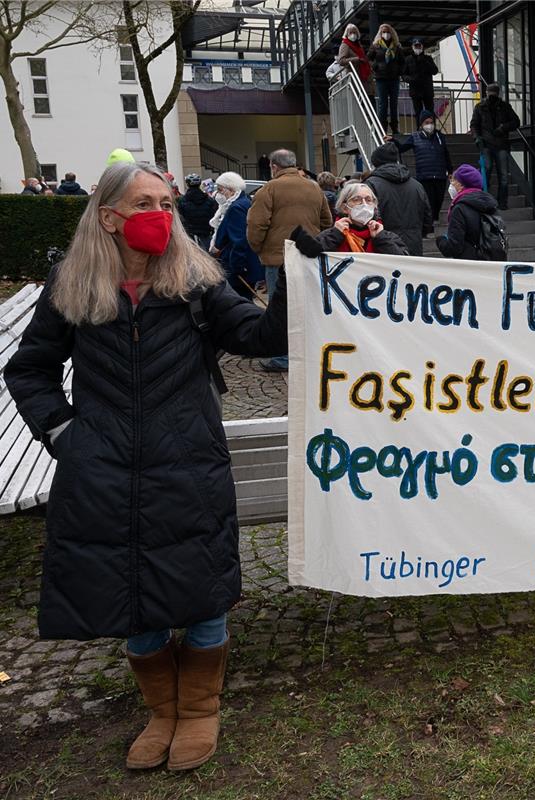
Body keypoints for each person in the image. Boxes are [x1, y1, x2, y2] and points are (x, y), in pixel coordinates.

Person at [4, 160, 290, 772]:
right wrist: (64, 433)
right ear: (108, 218)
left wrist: (296, 280)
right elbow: (29, 368)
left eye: (165, 202)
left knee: (203, 594)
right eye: (144, 205)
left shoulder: (196, 281)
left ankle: (200, 710)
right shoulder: (73, 285)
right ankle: (162, 712)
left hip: (187, 464)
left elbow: (261, 336)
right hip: (102, 470)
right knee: (130, 599)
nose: (161, 215)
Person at [246, 149, 332, 372]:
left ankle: (284, 357)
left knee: (280, 311)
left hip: (278, 258)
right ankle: (310, 353)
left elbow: (257, 224)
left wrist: (258, 249)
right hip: (308, 256)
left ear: (274, 167)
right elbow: (327, 220)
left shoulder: (269, 189)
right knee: (308, 307)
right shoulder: (314, 187)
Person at [293, 182, 410, 256]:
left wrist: (381, 238)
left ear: (374, 206)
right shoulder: (332, 235)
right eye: (357, 199)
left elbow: (404, 262)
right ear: (345, 208)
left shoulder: (387, 236)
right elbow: (310, 255)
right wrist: (335, 235)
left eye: (369, 200)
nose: (364, 204)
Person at [364, 143, 431, 257]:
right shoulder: (416, 185)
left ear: (376, 162)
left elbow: (366, 217)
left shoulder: (371, 185)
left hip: (383, 245)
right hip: (413, 245)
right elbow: (427, 217)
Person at [208, 172, 264, 299]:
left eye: (220, 190)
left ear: (231, 190)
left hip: (238, 265)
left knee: (240, 300)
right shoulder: (243, 202)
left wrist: (237, 266)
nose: (218, 194)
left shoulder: (236, 208)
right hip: (242, 263)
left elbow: (239, 240)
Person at [390, 110, 453, 223]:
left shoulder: (439, 137)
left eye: (431, 122)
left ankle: (435, 218)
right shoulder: (415, 137)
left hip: (440, 175)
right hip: (425, 175)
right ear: (421, 125)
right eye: (426, 122)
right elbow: (402, 148)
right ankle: (430, 223)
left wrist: (450, 170)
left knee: (439, 199)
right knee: (429, 200)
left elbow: (446, 153)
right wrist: (393, 141)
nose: (430, 125)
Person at [470, 83, 521, 210]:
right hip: (486, 144)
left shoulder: (504, 107)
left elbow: (516, 122)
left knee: (503, 176)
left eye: (493, 93)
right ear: (487, 93)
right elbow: (474, 124)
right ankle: (484, 199)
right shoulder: (480, 107)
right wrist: (477, 137)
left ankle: (502, 202)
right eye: (490, 93)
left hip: (501, 144)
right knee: (486, 170)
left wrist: (503, 128)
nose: (492, 95)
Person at [436, 164, 501, 260]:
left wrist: (441, 241)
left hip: (468, 264)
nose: (452, 184)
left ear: (462, 184)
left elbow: (454, 247)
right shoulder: (489, 204)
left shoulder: (460, 209)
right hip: (489, 261)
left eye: (454, 180)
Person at [369, 23, 403, 135]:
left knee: (394, 104)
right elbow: (368, 58)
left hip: (394, 78)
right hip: (381, 78)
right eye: (383, 32)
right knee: (382, 104)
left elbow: (402, 62)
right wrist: (375, 67)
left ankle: (395, 127)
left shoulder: (397, 47)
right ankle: (382, 128)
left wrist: (399, 70)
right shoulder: (376, 46)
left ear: (391, 33)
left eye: (388, 32)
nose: (386, 34)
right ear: (380, 33)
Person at [402, 38, 438, 124]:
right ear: (412, 47)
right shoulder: (408, 59)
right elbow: (403, 75)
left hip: (427, 90)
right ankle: (419, 129)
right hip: (415, 90)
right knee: (418, 112)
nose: (417, 48)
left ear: (422, 47)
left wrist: (425, 61)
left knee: (430, 111)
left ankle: (432, 129)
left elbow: (435, 71)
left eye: (419, 46)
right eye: (416, 46)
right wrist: (410, 79)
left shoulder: (428, 58)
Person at [177, 173, 217, 251]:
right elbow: (213, 216)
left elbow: (180, 218)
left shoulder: (182, 201)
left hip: (189, 235)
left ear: (187, 184)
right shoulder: (209, 200)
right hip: (206, 234)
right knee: (208, 257)